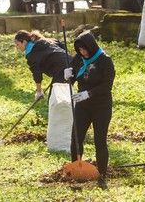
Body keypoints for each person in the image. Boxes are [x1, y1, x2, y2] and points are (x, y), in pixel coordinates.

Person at [63, 31, 115, 189]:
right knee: (76, 138)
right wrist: (67, 76)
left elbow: (107, 85)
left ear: (91, 47)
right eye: (79, 50)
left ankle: (102, 175)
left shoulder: (105, 60)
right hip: (82, 106)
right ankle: (76, 170)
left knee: (100, 140)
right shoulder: (78, 58)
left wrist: (89, 93)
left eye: (85, 49)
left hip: (101, 106)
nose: (82, 52)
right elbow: (73, 79)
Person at [14, 30, 68, 100]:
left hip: (62, 71)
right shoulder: (45, 41)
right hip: (70, 65)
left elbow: (37, 72)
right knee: (61, 98)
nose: (17, 47)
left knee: (55, 100)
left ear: (24, 42)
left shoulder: (32, 54)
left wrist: (39, 91)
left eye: (17, 44)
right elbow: (61, 46)